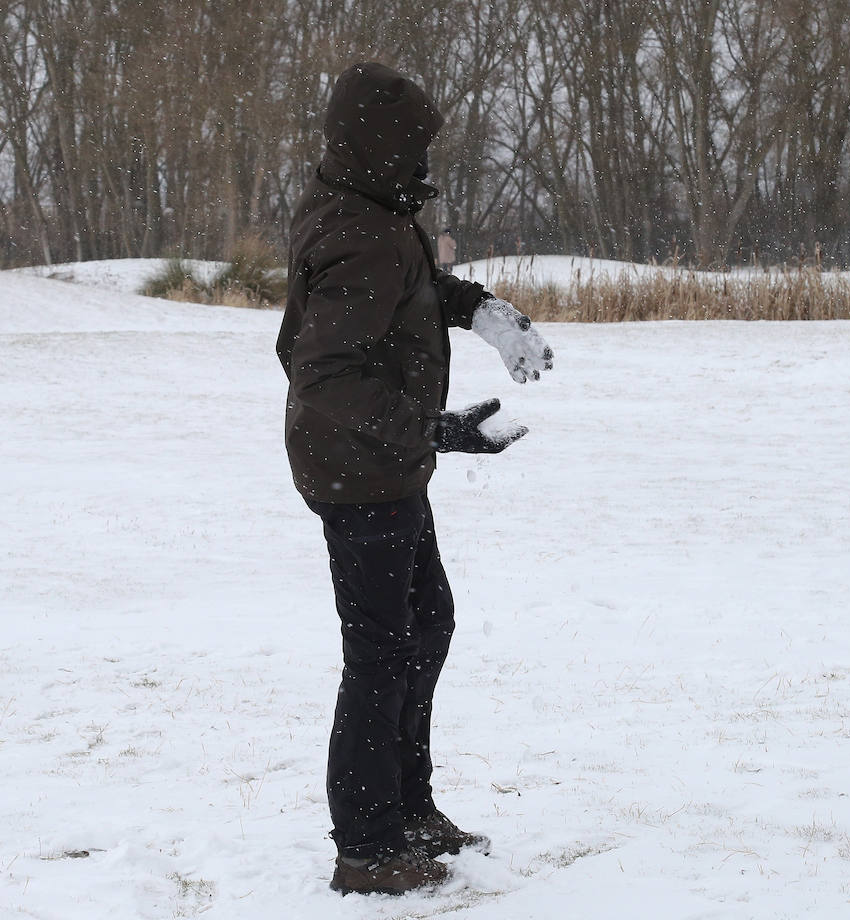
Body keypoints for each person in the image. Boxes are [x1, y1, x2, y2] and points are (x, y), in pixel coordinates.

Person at [276, 61, 554, 895]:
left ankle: (407, 807)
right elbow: (323, 374)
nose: (423, 160)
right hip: (357, 470)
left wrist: (480, 311)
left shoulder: (367, 207)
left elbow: (413, 285)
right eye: (413, 144)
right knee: (382, 653)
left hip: (380, 463)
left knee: (423, 628)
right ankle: (366, 845)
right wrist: (437, 431)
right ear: (376, 142)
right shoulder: (358, 227)